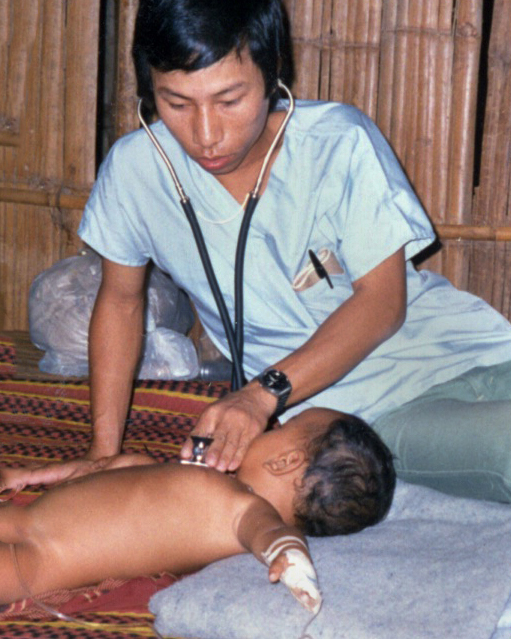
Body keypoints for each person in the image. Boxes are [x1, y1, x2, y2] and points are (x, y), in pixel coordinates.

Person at [76, 0, 511, 502]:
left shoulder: (337, 141)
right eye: (176, 104)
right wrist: (102, 454)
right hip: (380, 407)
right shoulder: (136, 172)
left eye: (229, 100)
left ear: (272, 74)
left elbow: (382, 303)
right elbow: (121, 301)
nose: (206, 134)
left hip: (474, 347)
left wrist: (260, 395)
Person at [0, 409, 396, 606]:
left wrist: (289, 555)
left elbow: (270, 532)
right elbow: (102, 471)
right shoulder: (197, 483)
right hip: (25, 521)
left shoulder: (237, 509)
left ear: (285, 462)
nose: (266, 427)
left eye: (278, 427)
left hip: (33, 561)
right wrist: (29, 474)